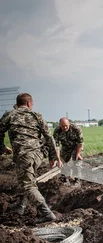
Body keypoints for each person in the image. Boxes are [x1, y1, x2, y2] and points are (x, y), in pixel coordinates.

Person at [0, 93, 62, 223]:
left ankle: (46, 213)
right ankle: (21, 207)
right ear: (29, 104)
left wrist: (2, 148)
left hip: (24, 155)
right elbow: (49, 137)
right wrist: (52, 157)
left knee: (27, 185)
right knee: (28, 179)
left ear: (17, 104)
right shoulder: (36, 115)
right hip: (39, 154)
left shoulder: (9, 115)